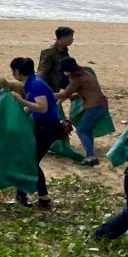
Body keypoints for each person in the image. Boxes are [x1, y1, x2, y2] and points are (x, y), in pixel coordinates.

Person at [10, 56, 63, 210]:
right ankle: (34, 196)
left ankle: (35, 197)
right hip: (41, 125)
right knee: (29, 160)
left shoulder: (36, 85)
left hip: (47, 127)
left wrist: (21, 101)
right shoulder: (32, 82)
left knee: (30, 161)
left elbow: (42, 107)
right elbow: (33, 107)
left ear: (17, 71)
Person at [54, 57, 109, 166]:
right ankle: (91, 155)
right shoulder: (85, 72)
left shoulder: (77, 79)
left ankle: (90, 157)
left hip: (95, 107)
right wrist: (78, 95)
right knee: (88, 131)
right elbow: (89, 89)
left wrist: (45, 95)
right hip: (101, 106)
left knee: (81, 130)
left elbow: (64, 94)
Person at [38, 27, 75, 94]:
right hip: (50, 85)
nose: (72, 39)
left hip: (60, 81)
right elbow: (42, 72)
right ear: (63, 38)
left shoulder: (64, 50)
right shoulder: (49, 52)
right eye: (71, 37)